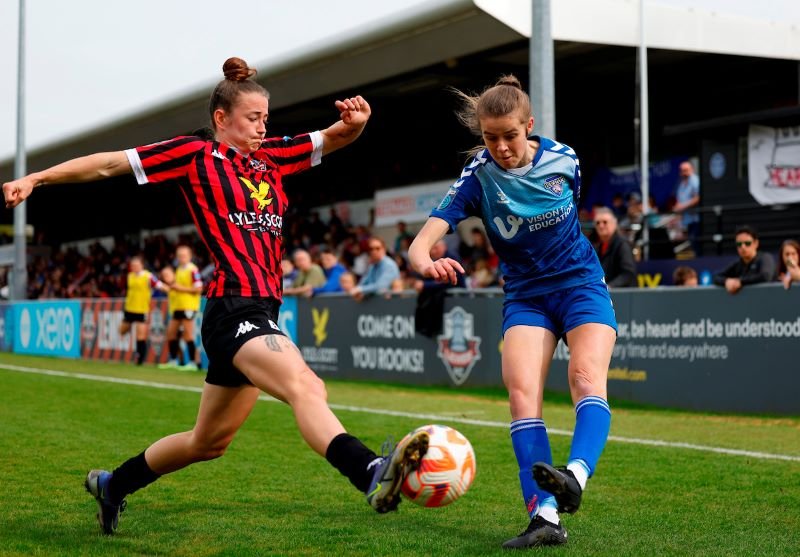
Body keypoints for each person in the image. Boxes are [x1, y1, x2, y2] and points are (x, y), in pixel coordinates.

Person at [2, 56, 428, 535]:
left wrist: (356, 122)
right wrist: (35, 179)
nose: (263, 127)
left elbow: (333, 137)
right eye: (253, 118)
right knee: (306, 386)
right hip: (233, 308)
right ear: (221, 120)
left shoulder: (272, 158)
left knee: (207, 442)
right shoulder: (195, 157)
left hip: (261, 310)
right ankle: (371, 472)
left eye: (266, 118)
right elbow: (108, 165)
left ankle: (112, 485)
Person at [408, 75, 616, 549]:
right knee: (523, 397)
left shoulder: (565, 160)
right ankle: (544, 515)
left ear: (530, 127)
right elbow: (427, 236)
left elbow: (572, 211)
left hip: (581, 283)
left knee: (586, 379)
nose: (500, 147)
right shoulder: (478, 175)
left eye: (510, 135)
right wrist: (424, 259)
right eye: (489, 137)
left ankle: (575, 479)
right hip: (525, 294)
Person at [159, 245, 204, 370]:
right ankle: (174, 360)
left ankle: (193, 363)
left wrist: (180, 288)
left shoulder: (193, 270)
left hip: (188, 306)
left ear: (190, 256)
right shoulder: (179, 269)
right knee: (171, 333)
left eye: (184, 255)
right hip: (178, 306)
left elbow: (199, 289)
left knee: (188, 335)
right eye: (179, 256)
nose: (181, 258)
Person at [120, 255, 167, 365]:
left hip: (142, 309)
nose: (134, 267)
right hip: (129, 309)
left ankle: (140, 359)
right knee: (122, 331)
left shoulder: (148, 276)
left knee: (141, 335)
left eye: (136, 265)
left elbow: (160, 285)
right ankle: (137, 354)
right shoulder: (130, 276)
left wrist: (171, 290)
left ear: (142, 265)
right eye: (132, 265)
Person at [712, 225, 776, 295]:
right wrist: (727, 281)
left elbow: (765, 276)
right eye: (739, 244)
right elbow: (716, 277)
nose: (743, 247)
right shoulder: (738, 265)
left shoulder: (765, 258)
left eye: (747, 243)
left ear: (756, 243)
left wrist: (740, 282)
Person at [592, 207, 637, 287]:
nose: (601, 226)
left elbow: (628, 274)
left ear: (614, 223)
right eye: (598, 223)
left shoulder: (622, 244)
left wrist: (610, 286)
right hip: (605, 296)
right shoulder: (597, 248)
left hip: (623, 296)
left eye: (605, 222)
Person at [346, 237, 400, 301]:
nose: (374, 251)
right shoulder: (372, 265)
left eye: (377, 248)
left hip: (392, 304)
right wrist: (360, 290)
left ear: (384, 249)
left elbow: (381, 286)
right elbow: (364, 282)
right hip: (378, 304)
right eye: (371, 249)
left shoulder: (389, 265)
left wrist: (361, 289)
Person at [672, 161, 701, 254]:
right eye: (682, 170)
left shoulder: (695, 180)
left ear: (692, 170)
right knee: (692, 245)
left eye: (686, 170)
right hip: (687, 221)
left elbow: (698, 198)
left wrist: (682, 206)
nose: (684, 172)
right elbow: (679, 202)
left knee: (696, 244)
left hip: (696, 220)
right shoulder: (681, 185)